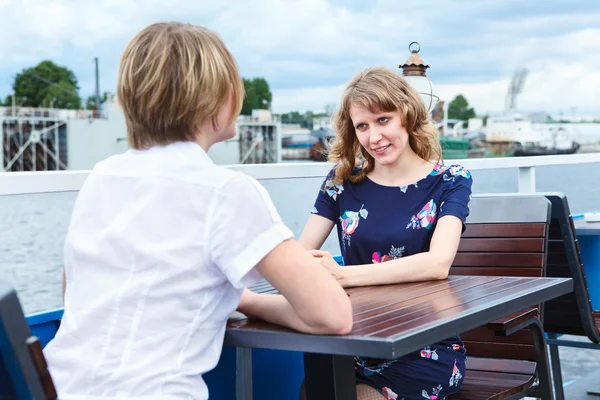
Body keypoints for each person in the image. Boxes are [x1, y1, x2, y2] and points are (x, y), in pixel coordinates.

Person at [43, 22, 352, 400]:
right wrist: (248, 300)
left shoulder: (100, 178)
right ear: (216, 98)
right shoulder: (226, 192)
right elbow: (333, 315)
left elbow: (72, 294)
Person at [299, 67, 472, 400]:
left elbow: (438, 263)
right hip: (355, 342)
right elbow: (300, 254)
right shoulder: (341, 181)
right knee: (314, 390)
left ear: (406, 115)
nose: (373, 137)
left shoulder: (450, 180)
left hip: (425, 346)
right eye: (362, 126)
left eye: (382, 120)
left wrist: (343, 275)